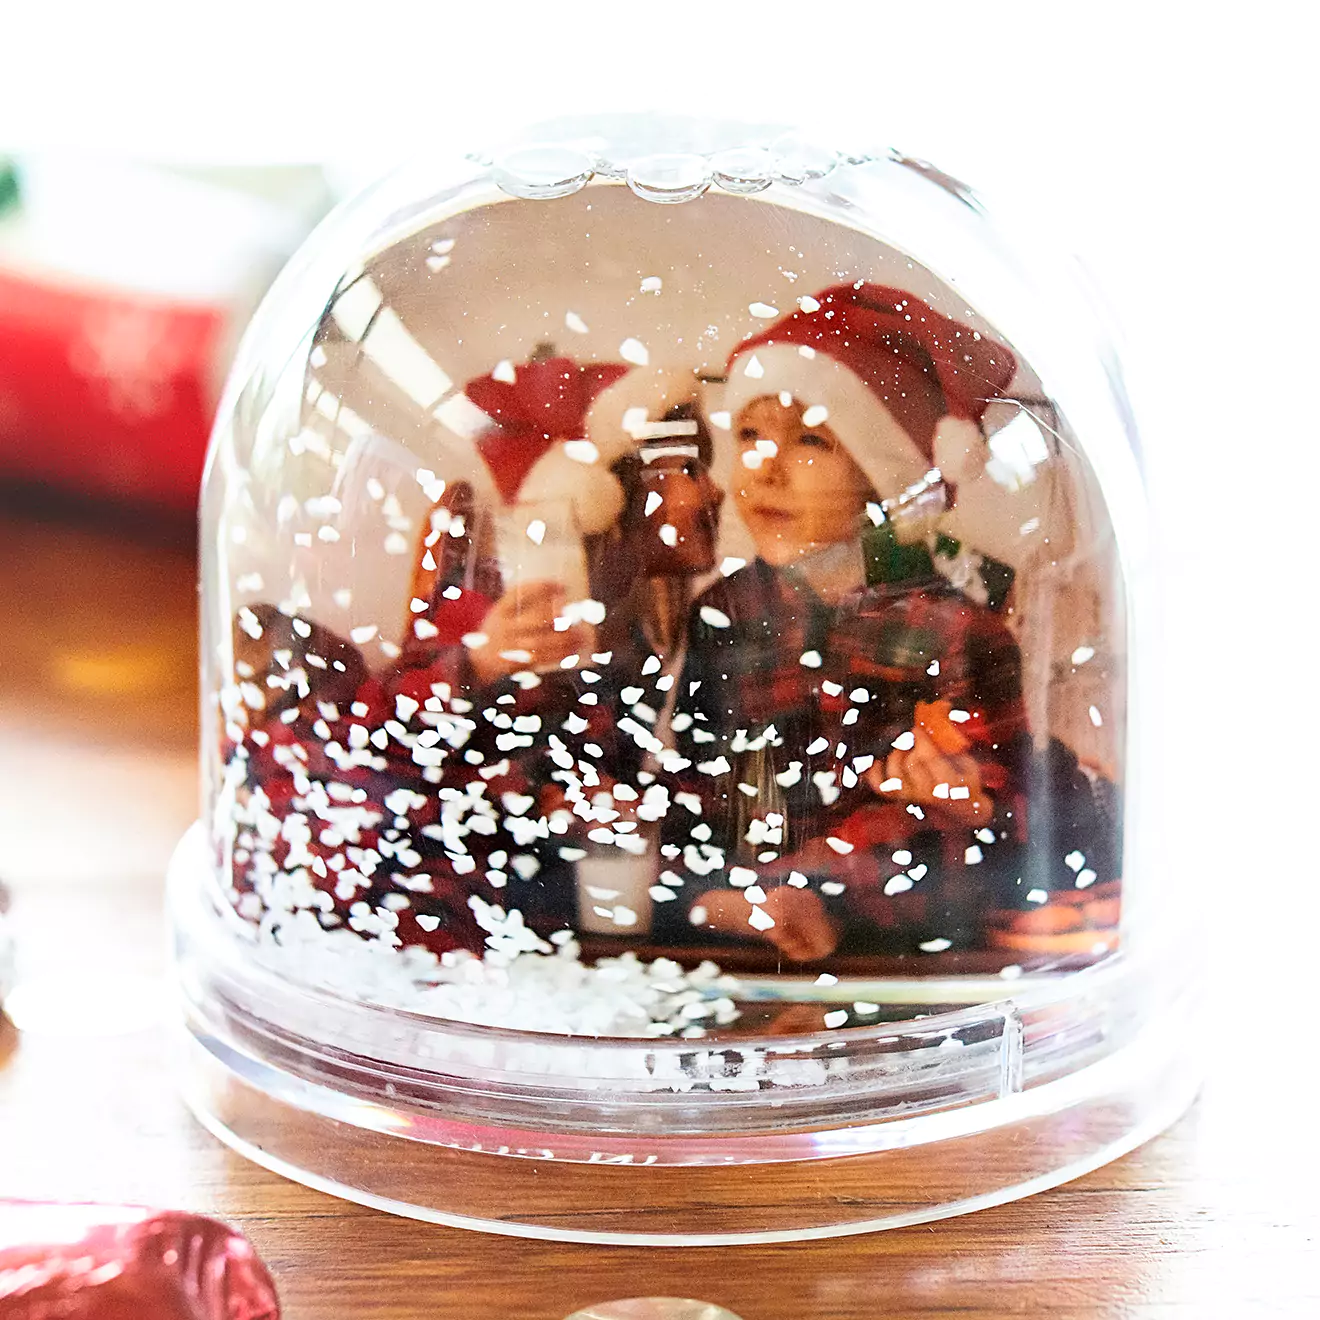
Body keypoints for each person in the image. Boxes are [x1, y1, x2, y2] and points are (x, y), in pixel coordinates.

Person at [658, 283, 1117, 965]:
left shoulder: (953, 627)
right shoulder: (724, 610)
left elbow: (991, 811)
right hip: (735, 944)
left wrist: (819, 891)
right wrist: (703, 893)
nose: (767, 466)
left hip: (900, 957)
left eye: (811, 440)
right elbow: (693, 780)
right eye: (749, 434)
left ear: (879, 475)